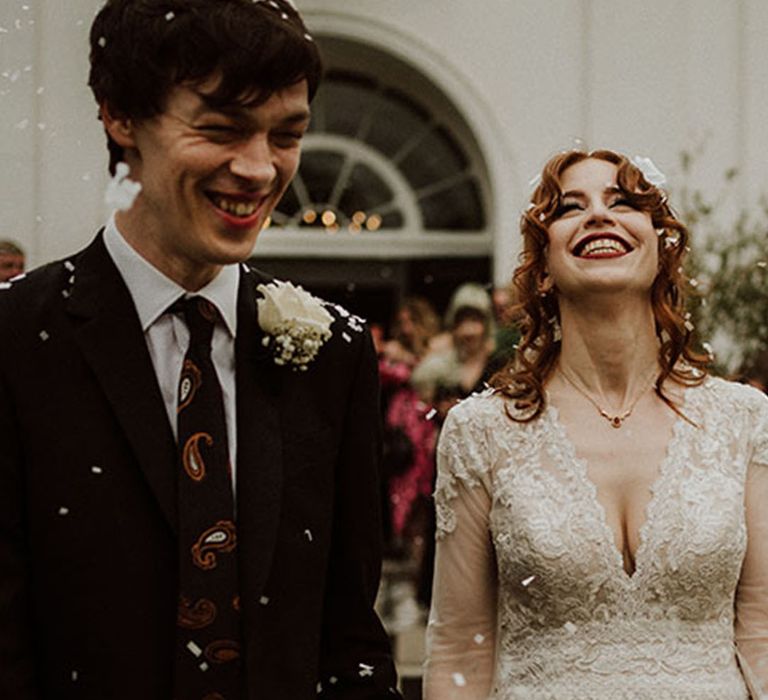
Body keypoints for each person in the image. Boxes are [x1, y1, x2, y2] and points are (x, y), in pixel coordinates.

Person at [0, 2, 400, 698]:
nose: (259, 169)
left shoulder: (334, 350)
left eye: (287, 135)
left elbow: (348, 629)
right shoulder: (14, 339)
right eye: (220, 130)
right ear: (122, 117)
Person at [423, 148, 768, 698]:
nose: (598, 215)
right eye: (569, 208)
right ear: (541, 268)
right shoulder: (481, 430)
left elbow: (763, 633)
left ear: (662, 247)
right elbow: (461, 646)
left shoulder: (744, 421)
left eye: (623, 202)